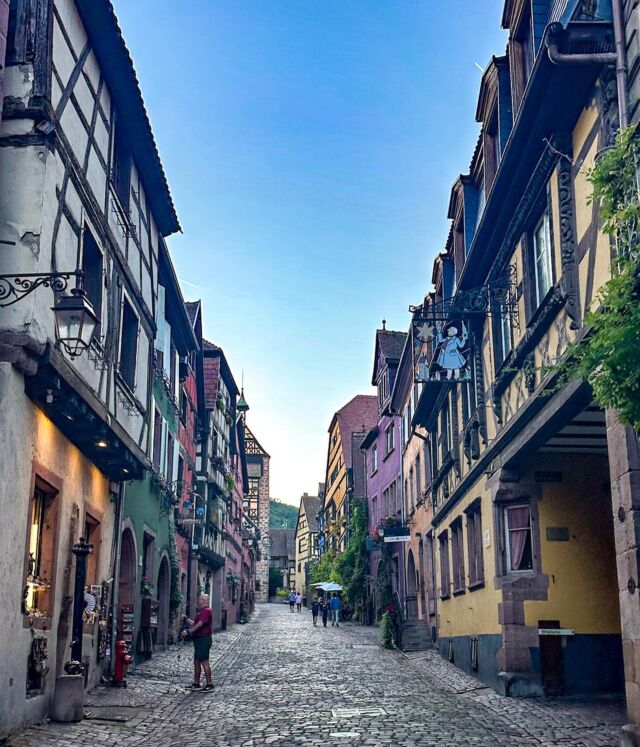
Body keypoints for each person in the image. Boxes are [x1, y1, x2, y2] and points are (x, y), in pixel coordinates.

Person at [182, 593, 213, 691]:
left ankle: (209, 684)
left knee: (204, 661)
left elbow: (200, 624)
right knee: (196, 662)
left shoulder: (206, 611)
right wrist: (186, 620)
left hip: (203, 639)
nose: (199, 601)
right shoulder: (202, 612)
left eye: (200, 600)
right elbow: (195, 623)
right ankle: (196, 683)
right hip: (199, 639)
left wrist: (188, 631)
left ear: (204, 601)